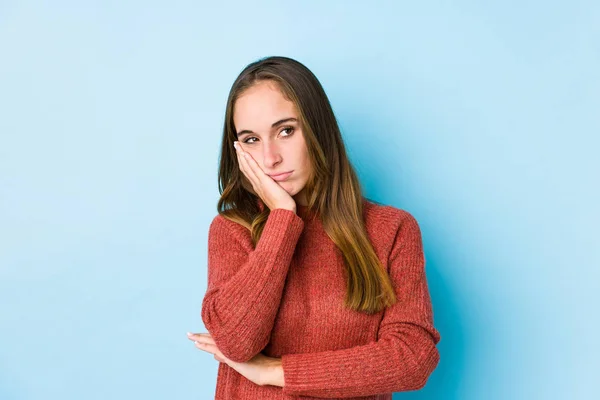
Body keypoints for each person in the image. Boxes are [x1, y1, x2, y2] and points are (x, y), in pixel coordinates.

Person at [187, 55, 441, 399]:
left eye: (286, 131)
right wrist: (282, 217)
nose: (269, 158)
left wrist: (275, 372)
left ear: (317, 129)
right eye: (251, 139)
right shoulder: (232, 230)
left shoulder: (392, 230)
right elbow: (236, 341)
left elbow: (412, 358)